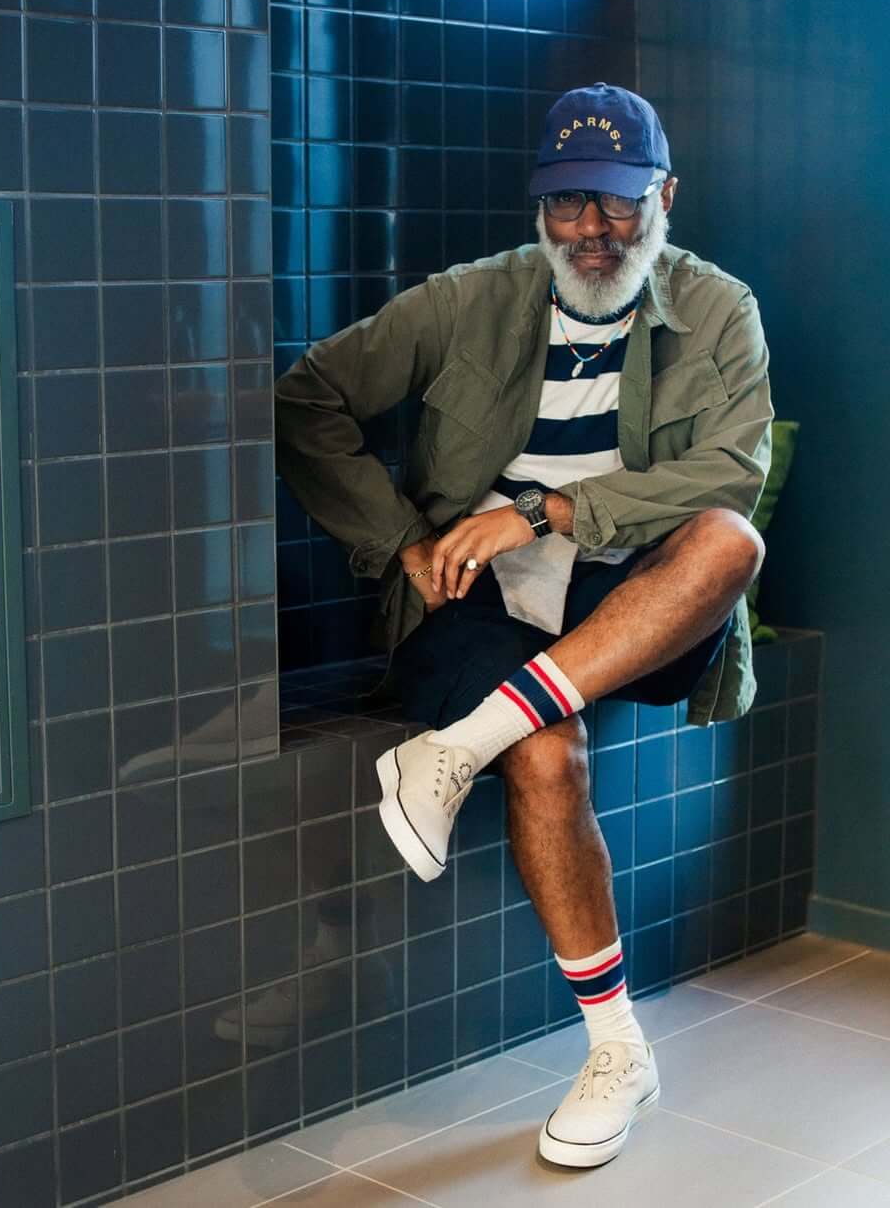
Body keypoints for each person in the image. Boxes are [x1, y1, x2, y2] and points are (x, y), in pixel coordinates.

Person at [274, 82, 772, 1169]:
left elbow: (731, 469)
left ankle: (453, 750)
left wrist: (549, 510)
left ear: (666, 196)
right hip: (479, 596)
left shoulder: (717, 307)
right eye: (567, 202)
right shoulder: (470, 298)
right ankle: (619, 1052)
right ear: (539, 204)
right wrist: (399, 540)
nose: (593, 228)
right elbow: (307, 399)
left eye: (619, 202)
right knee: (544, 749)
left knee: (731, 538)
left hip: (632, 593)